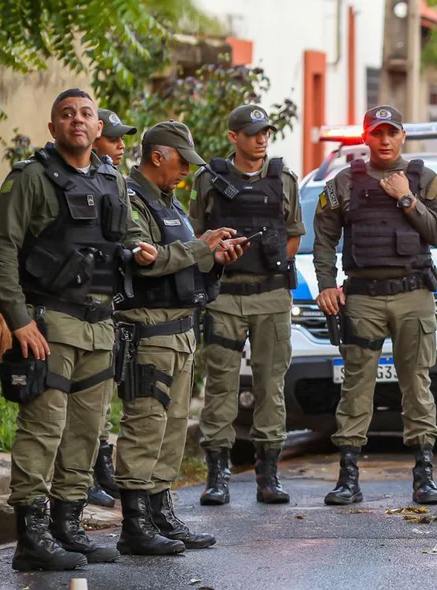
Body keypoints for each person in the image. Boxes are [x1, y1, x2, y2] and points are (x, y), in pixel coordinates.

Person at [0, 88, 158, 571]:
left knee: (85, 433)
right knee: (43, 430)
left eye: (86, 114)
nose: (78, 121)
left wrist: (137, 251)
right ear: (53, 127)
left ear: (99, 128)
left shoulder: (111, 179)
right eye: (67, 115)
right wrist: (18, 319)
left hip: (100, 328)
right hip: (49, 324)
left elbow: (121, 240)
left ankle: (67, 526)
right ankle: (31, 537)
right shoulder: (31, 178)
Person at [113, 120, 246, 556]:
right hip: (148, 333)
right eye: (181, 161)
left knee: (171, 430)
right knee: (145, 425)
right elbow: (146, 262)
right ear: (157, 156)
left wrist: (214, 258)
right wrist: (201, 246)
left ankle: (161, 513)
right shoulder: (132, 201)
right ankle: (134, 524)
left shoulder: (169, 203)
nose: (186, 171)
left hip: (181, 332)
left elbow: (182, 263)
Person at [312, 105, 437, 506]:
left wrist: (407, 198)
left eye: (392, 132)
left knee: (417, 383)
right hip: (362, 299)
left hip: (413, 295)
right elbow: (323, 239)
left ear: (403, 135)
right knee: (356, 385)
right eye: (377, 133)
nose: (385, 140)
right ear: (365, 138)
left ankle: (424, 475)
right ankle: (348, 476)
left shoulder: (425, 180)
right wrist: (325, 285)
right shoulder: (343, 183)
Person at [191, 105, 304, 506]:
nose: (262, 138)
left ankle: (267, 473)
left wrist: (271, 259)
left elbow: (294, 235)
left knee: (270, 384)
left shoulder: (284, 179)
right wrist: (217, 257)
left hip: (271, 297)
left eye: (266, 132)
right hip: (224, 296)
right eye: (253, 132)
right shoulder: (210, 179)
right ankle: (217, 474)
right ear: (233, 136)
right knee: (221, 385)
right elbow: (197, 236)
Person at [84, 108, 138, 509]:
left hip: (111, 300)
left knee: (104, 394)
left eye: (122, 139)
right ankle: (86, 474)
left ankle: (101, 468)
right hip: (79, 302)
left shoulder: (115, 179)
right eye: (114, 139)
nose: (121, 146)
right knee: (87, 398)